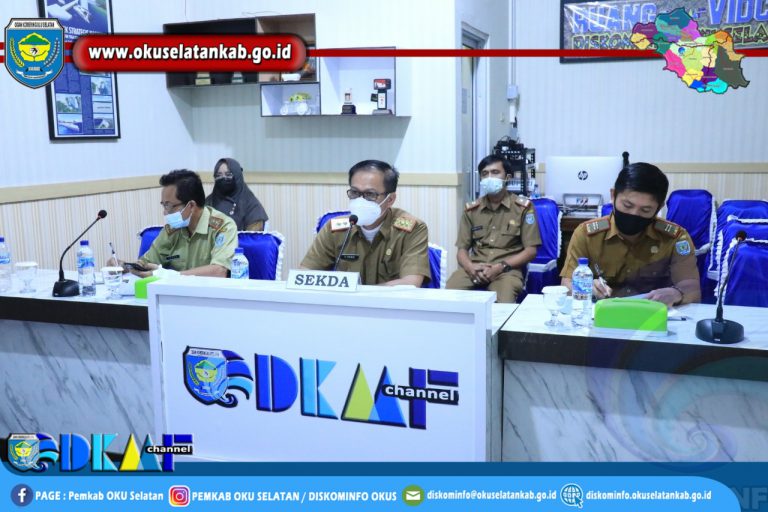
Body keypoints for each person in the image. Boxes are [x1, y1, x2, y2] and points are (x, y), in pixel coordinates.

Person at [560, 162, 701, 306]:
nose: (634, 214)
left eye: (645, 210)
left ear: (659, 207)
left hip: (655, 315)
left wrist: (677, 293)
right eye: (627, 205)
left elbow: (692, 289)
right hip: (603, 314)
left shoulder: (675, 238)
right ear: (613, 195)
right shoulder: (586, 234)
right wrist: (586, 288)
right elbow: (567, 284)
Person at [301, 159, 431, 286]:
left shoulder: (412, 229)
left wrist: (360, 294)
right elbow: (305, 274)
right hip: (346, 300)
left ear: (390, 199)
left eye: (370, 194)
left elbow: (410, 283)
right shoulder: (334, 228)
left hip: (388, 301)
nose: (360, 201)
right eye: (354, 192)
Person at [446, 155, 541, 303]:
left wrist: (500, 267)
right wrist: (470, 267)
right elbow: (462, 250)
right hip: (475, 269)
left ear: (507, 177)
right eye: (485, 174)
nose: (489, 177)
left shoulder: (523, 208)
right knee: (449, 295)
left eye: (495, 172)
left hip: (507, 271)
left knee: (503, 303)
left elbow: (531, 251)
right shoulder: (472, 210)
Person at [117, 170, 238, 278]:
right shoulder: (173, 228)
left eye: (169, 206)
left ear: (191, 206)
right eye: (163, 205)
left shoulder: (223, 226)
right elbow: (147, 262)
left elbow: (219, 271)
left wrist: (171, 276)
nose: (165, 212)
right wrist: (125, 267)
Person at [205, 158, 269, 231]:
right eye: (219, 175)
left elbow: (253, 235)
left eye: (228, 174)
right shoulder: (208, 202)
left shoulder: (251, 204)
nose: (223, 178)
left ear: (237, 176)